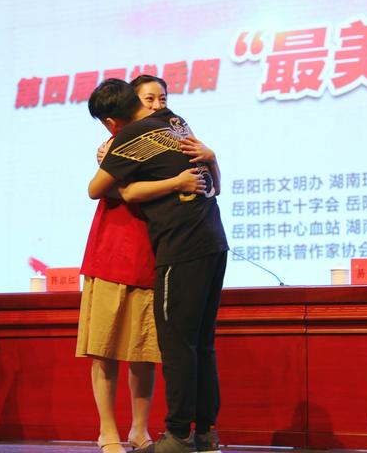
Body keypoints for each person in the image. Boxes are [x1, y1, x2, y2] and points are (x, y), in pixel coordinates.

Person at [87, 78, 228, 453]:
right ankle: (205, 433)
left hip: (181, 247)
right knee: (202, 344)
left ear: (111, 122)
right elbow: (209, 180)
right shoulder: (175, 121)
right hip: (213, 241)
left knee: (177, 345)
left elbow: (95, 189)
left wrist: (119, 176)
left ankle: (178, 435)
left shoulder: (130, 136)